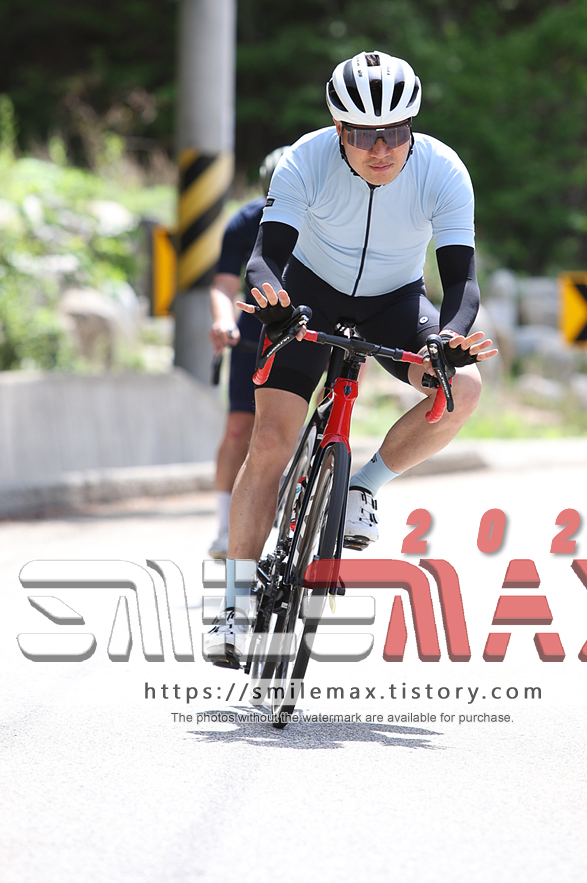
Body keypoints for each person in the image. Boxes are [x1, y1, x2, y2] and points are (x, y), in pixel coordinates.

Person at [207, 50, 497, 666]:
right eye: (364, 135)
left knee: (464, 389)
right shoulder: (304, 159)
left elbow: (461, 283)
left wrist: (450, 337)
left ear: (412, 125)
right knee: (270, 444)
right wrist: (273, 301)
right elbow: (265, 258)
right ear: (339, 128)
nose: (381, 148)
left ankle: (364, 485)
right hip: (309, 295)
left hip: (396, 301)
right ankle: (233, 606)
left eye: (395, 131)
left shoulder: (444, 171)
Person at [206, 147, 290, 558]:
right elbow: (224, 286)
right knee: (239, 429)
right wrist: (224, 322)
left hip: (308, 331)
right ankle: (225, 528)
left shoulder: (330, 218)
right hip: (254, 334)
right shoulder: (245, 221)